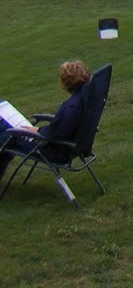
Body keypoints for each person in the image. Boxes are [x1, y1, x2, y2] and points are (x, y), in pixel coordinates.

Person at [0, 60, 91, 193]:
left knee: (6, 136)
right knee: (4, 137)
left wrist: (37, 131)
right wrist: (38, 130)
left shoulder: (72, 107)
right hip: (67, 146)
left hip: (51, 150)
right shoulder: (83, 98)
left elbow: (55, 134)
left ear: (65, 83)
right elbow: (59, 131)